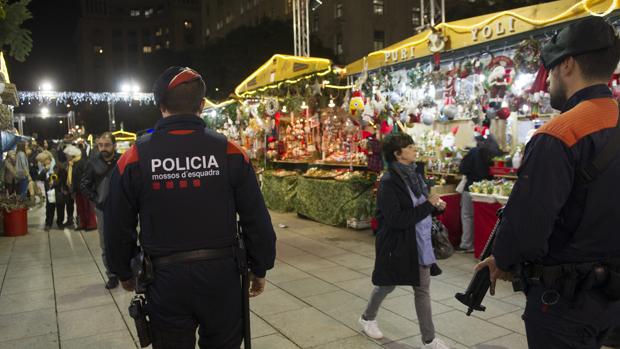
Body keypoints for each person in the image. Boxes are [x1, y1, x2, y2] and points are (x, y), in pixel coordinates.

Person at [104, 66, 276, 348]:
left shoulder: (135, 157)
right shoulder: (230, 152)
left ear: (160, 105)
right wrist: (261, 267)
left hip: (164, 280)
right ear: (201, 104)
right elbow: (256, 218)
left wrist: (122, 270)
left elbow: (116, 224)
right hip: (222, 277)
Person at [476, 17, 620, 348]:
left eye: (551, 69)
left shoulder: (560, 133)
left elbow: (527, 227)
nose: (548, 80)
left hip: (564, 301)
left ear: (567, 64)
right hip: (611, 297)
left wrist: (504, 259)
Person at [359, 133, 449, 349]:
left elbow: (419, 207)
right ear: (398, 154)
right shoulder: (389, 181)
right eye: (409, 146)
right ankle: (367, 317)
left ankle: (429, 340)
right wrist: (428, 205)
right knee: (386, 285)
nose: (414, 148)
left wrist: (435, 208)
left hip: (420, 242)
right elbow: (396, 219)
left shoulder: (416, 175)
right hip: (398, 244)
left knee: (422, 289)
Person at [80, 132, 121, 289]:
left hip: (122, 208)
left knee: (126, 238)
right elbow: (84, 185)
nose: (103, 148)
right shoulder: (93, 163)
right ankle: (111, 275)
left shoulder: (122, 160)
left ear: (114, 145)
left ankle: (127, 271)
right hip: (103, 209)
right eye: (100, 145)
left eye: (107, 145)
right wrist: (96, 199)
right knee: (106, 244)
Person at [457, 132, 495, 253]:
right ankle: (481, 244)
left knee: (467, 216)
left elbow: (463, 168)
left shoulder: (473, 152)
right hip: (488, 190)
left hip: (471, 188)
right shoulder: (492, 153)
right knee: (480, 218)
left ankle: (466, 244)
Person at [65, 144, 97, 231]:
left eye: (67, 155)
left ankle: (91, 224)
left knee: (87, 207)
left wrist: (85, 188)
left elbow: (87, 176)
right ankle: (82, 223)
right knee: (80, 208)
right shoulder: (72, 164)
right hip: (78, 189)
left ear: (72, 155)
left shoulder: (81, 163)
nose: (66, 156)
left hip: (84, 189)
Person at [36, 150, 64, 231]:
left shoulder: (57, 165)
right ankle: (48, 224)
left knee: (60, 206)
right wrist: (45, 169)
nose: (42, 163)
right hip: (49, 190)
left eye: (44, 161)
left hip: (58, 190)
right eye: (42, 162)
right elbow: (39, 178)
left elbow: (62, 177)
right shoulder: (44, 167)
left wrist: (54, 183)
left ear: (49, 159)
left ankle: (60, 223)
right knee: (49, 207)